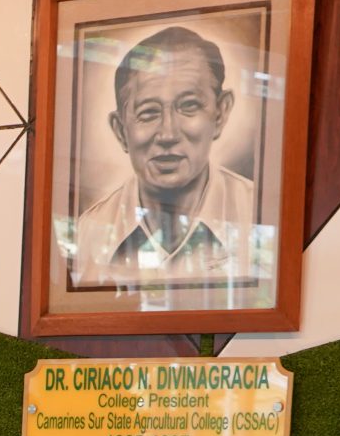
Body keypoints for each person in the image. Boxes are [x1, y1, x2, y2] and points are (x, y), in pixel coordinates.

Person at [68, 25, 263, 295]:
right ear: (121, 131)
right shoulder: (87, 234)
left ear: (220, 113)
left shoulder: (258, 216)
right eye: (148, 112)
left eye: (189, 106)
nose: (168, 134)